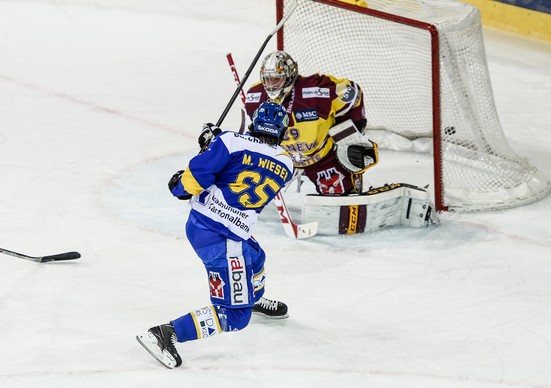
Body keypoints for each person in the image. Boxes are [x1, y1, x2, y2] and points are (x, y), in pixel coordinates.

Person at [136, 101, 293, 369]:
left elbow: (195, 179)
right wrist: (216, 143)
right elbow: (253, 162)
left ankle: (248, 295)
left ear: (254, 124)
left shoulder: (230, 141)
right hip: (223, 237)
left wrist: (208, 151)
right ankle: (166, 332)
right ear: (282, 132)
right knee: (236, 317)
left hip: (209, 227)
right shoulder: (287, 164)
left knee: (256, 257)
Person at [244, 50, 378, 196]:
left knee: (340, 199)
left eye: (277, 79)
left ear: (289, 76)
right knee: (247, 189)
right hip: (282, 159)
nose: (271, 85)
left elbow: (353, 93)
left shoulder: (316, 91)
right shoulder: (254, 97)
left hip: (323, 158)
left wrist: (352, 133)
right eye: (267, 79)